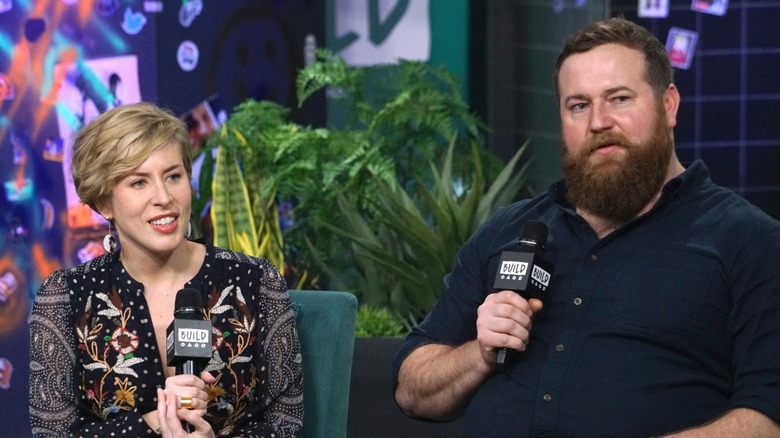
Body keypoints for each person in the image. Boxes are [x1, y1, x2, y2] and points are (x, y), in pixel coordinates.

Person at [392, 17, 780, 437]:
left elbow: (769, 415)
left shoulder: (748, 240)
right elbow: (412, 392)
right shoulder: (510, 230)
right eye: (579, 105)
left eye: (619, 99)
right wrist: (481, 354)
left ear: (668, 104)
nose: (598, 122)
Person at [29, 102, 304, 437]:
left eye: (173, 176)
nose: (163, 197)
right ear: (103, 203)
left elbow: (286, 422)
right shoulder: (67, 295)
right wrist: (153, 422)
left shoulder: (255, 281)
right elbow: (52, 433)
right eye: (138, 182)